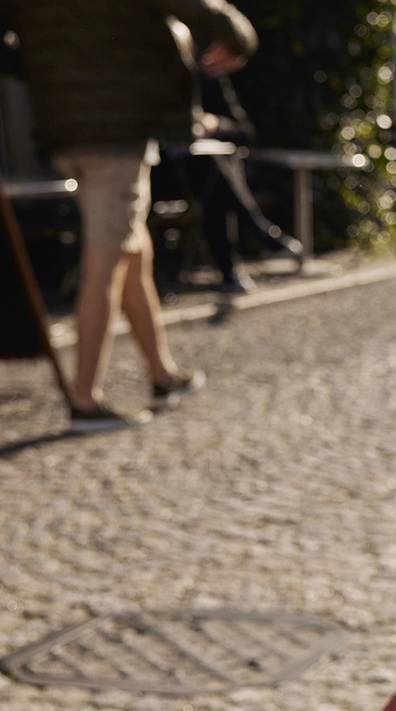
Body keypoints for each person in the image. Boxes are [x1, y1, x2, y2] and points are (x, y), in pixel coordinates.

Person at [0, 0, 255, 429]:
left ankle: (161, 373)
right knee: (107, 262)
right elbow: (207, 13)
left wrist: (44, 73)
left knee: (132, 247)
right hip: (118, 133)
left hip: (63, 129)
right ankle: (85, 400)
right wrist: (241, 40)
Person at [192, 71, 302, 294]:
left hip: (209, 175)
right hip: (173, 176)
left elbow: (244, 131)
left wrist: (215, 124)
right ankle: (260, 233)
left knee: (217, 181)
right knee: (218, 178)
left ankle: (232, 269)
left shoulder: (208, 79)